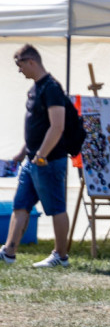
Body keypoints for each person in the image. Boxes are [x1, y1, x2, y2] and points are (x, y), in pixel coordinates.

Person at [0, 44, 71, 268]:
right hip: (32, 160)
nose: (19, 70)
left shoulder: (51, 88)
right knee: (20, 205)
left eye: (20, 65)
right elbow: (37, 126)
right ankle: (8, 253)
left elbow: (57, 126)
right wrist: (23, 153)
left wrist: (41, 155)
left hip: (48, 160)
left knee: (56, 207)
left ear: (31, 61)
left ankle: (61, 256)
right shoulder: (35, 88)